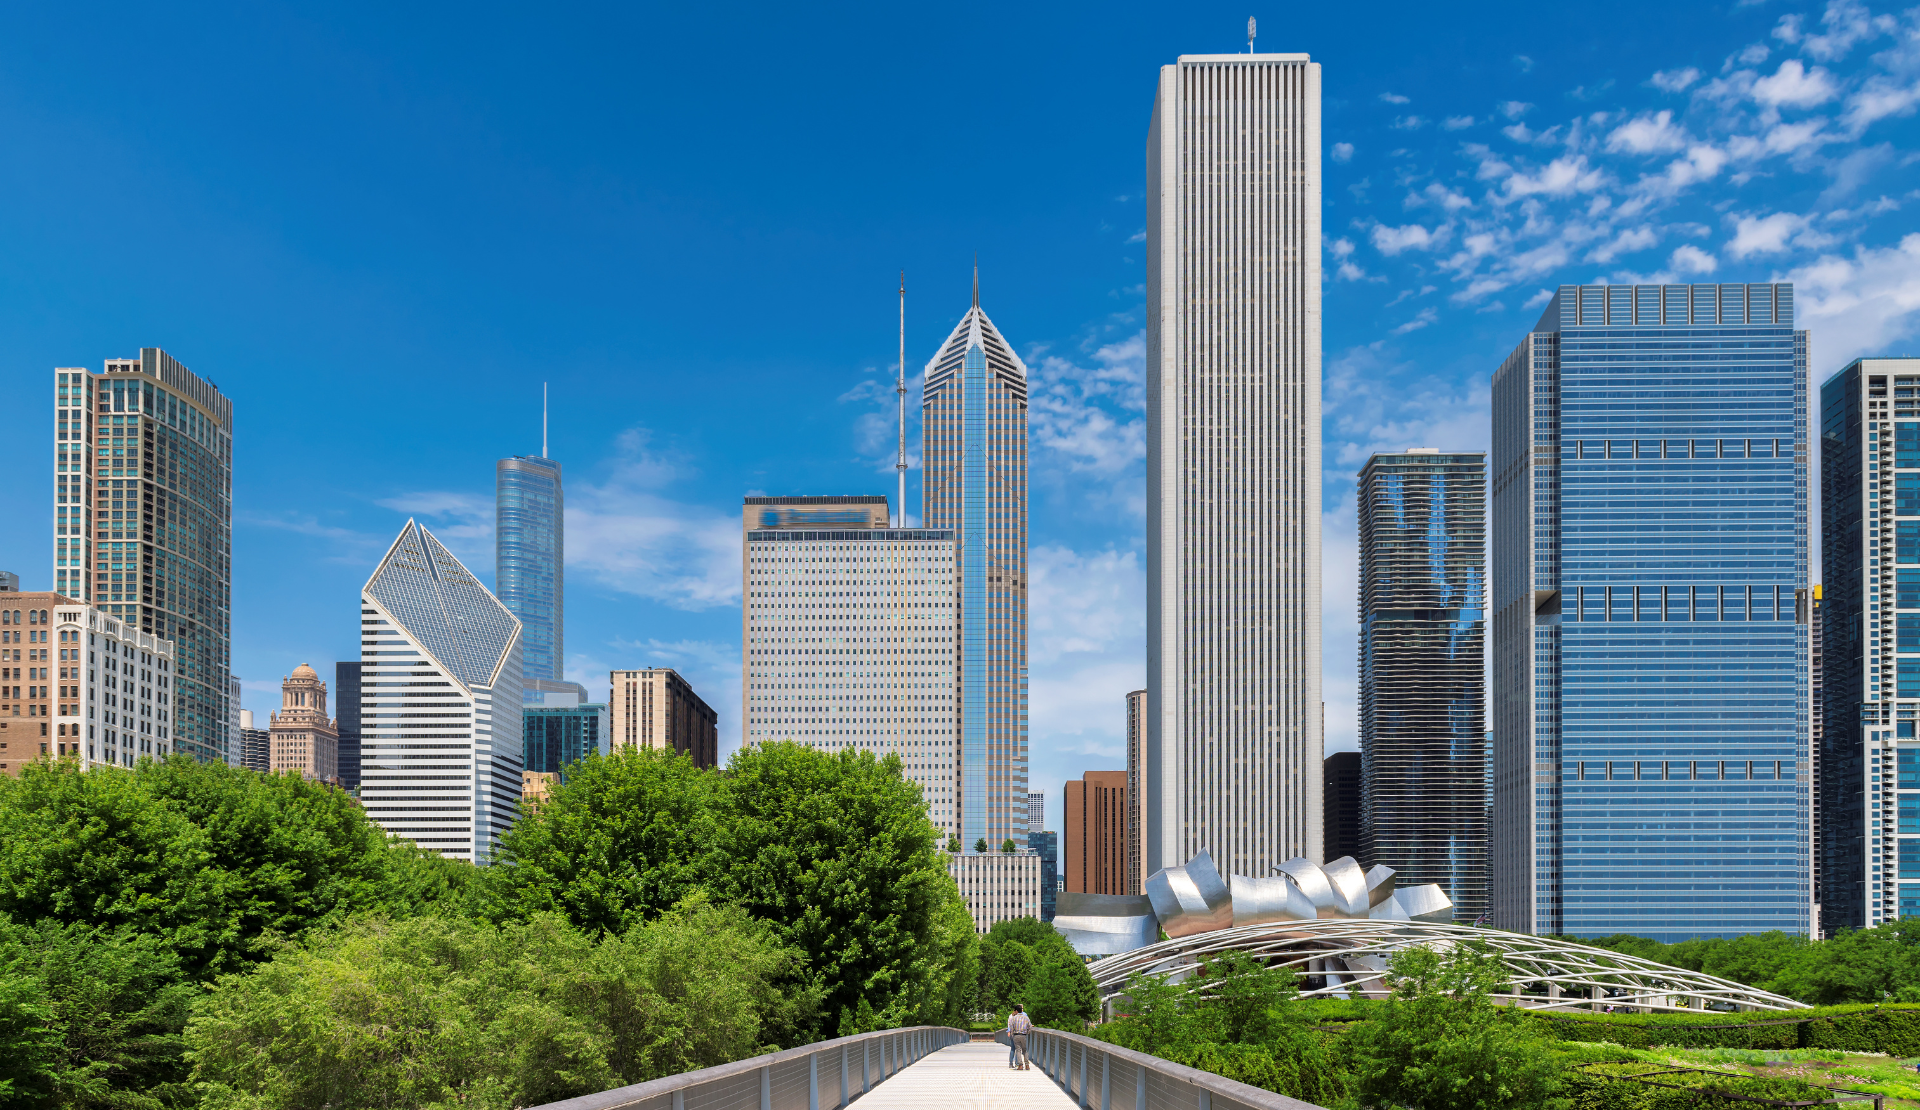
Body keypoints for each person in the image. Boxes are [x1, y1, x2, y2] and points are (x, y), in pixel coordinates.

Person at [1007, 1004, 1032, 1071]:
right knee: (1025, 1050)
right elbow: (1030, 1026)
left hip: (1016, 1035)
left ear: (1017, 1011)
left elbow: (1011, 1027)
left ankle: (1020, 1065)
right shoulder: (1026, 1018)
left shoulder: (1014, 1018)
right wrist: (1027, 1032)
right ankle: (1027, 1065)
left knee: (1018, 1050)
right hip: (1023, 1035)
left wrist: (1012, 1034)